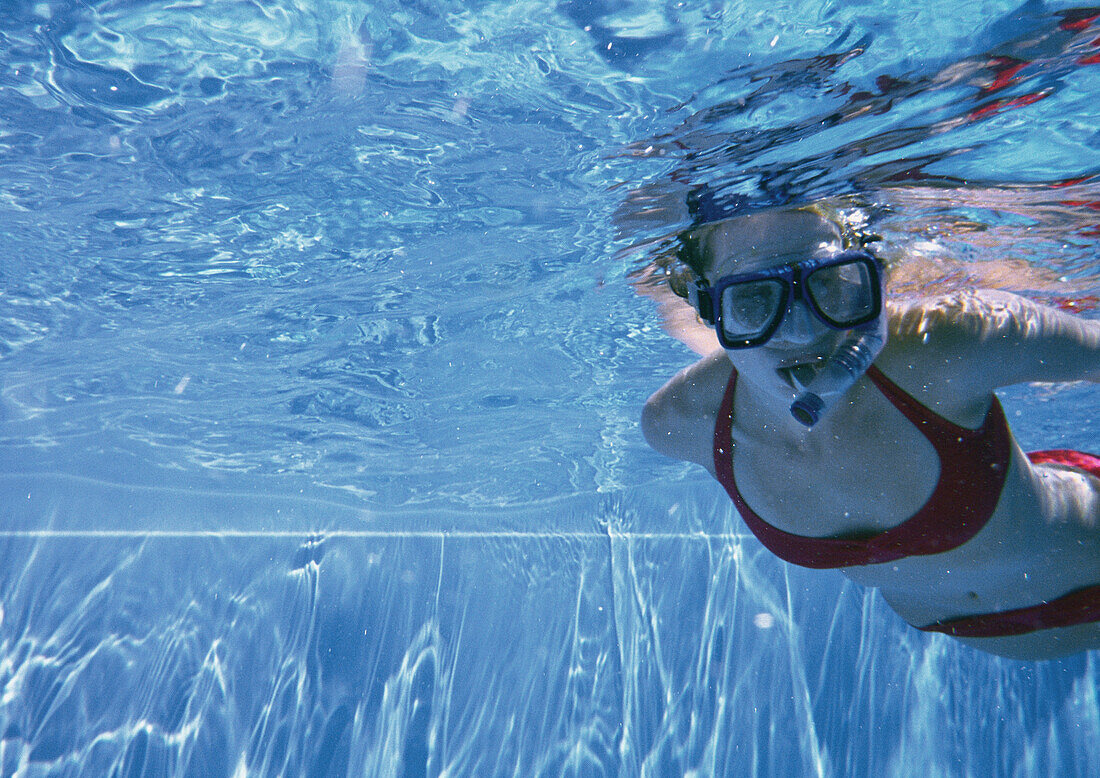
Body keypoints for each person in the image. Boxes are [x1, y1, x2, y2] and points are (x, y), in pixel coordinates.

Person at [640, 201, 1100, 660]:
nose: (802, 332)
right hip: (968, 631)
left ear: (866, 276)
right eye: (755, 299)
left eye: (829, 284)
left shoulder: (950, 342)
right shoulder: (680, 422)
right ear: (706, 305)